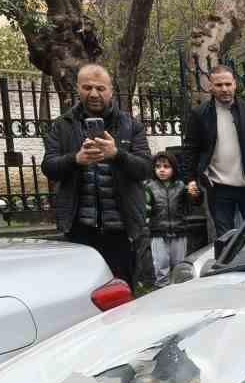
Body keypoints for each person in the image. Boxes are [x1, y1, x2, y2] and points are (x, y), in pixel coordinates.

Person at [42, 63, 153, 283]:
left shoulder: (131, 125)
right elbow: (49, 167)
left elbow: (145, 168)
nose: (94, 93)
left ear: (110, 90)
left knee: (121, 294)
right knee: (82, 293)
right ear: (78, 89)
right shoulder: (62, 125)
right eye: (87, 87)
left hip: (121, 229)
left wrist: (116, 154)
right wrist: (75, 159)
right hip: (79, 229)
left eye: (100, 88)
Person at [184, 64, 245, 238]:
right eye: (218, 85)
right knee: (225, 240)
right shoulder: (200, 114)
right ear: (210, 86)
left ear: (235, 84)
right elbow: (190, 149)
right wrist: (190, 179)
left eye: (227, 84)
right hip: (218, 188)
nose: (224, 89)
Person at [146, 151, 193, 288]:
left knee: (179, 265)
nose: (162, 170)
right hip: (158, 232)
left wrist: (195, 193)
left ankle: (179, 291)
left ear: (174, 168)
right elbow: (145, 208)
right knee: (161, 264)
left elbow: (194, 202)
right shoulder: (150, 187)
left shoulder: (181, 187)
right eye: (158, 166)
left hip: (179, 231)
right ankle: (162, 289)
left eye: (166, 166)